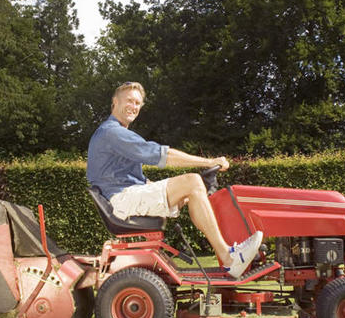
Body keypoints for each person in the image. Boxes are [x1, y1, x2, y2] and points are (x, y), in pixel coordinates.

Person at [87, 81, 263, 279]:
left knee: (193, 189)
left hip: (123, 196)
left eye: (137, 103)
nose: (133, 107)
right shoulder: (113, 133)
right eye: (129, 100)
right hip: (120, 200)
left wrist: (186, 195)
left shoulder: (117, 134)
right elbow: (163, 155)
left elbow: (136, 181)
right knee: (192, 181)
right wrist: (209, 162)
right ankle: (229, 258)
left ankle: (230, 252)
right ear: (115, 101)